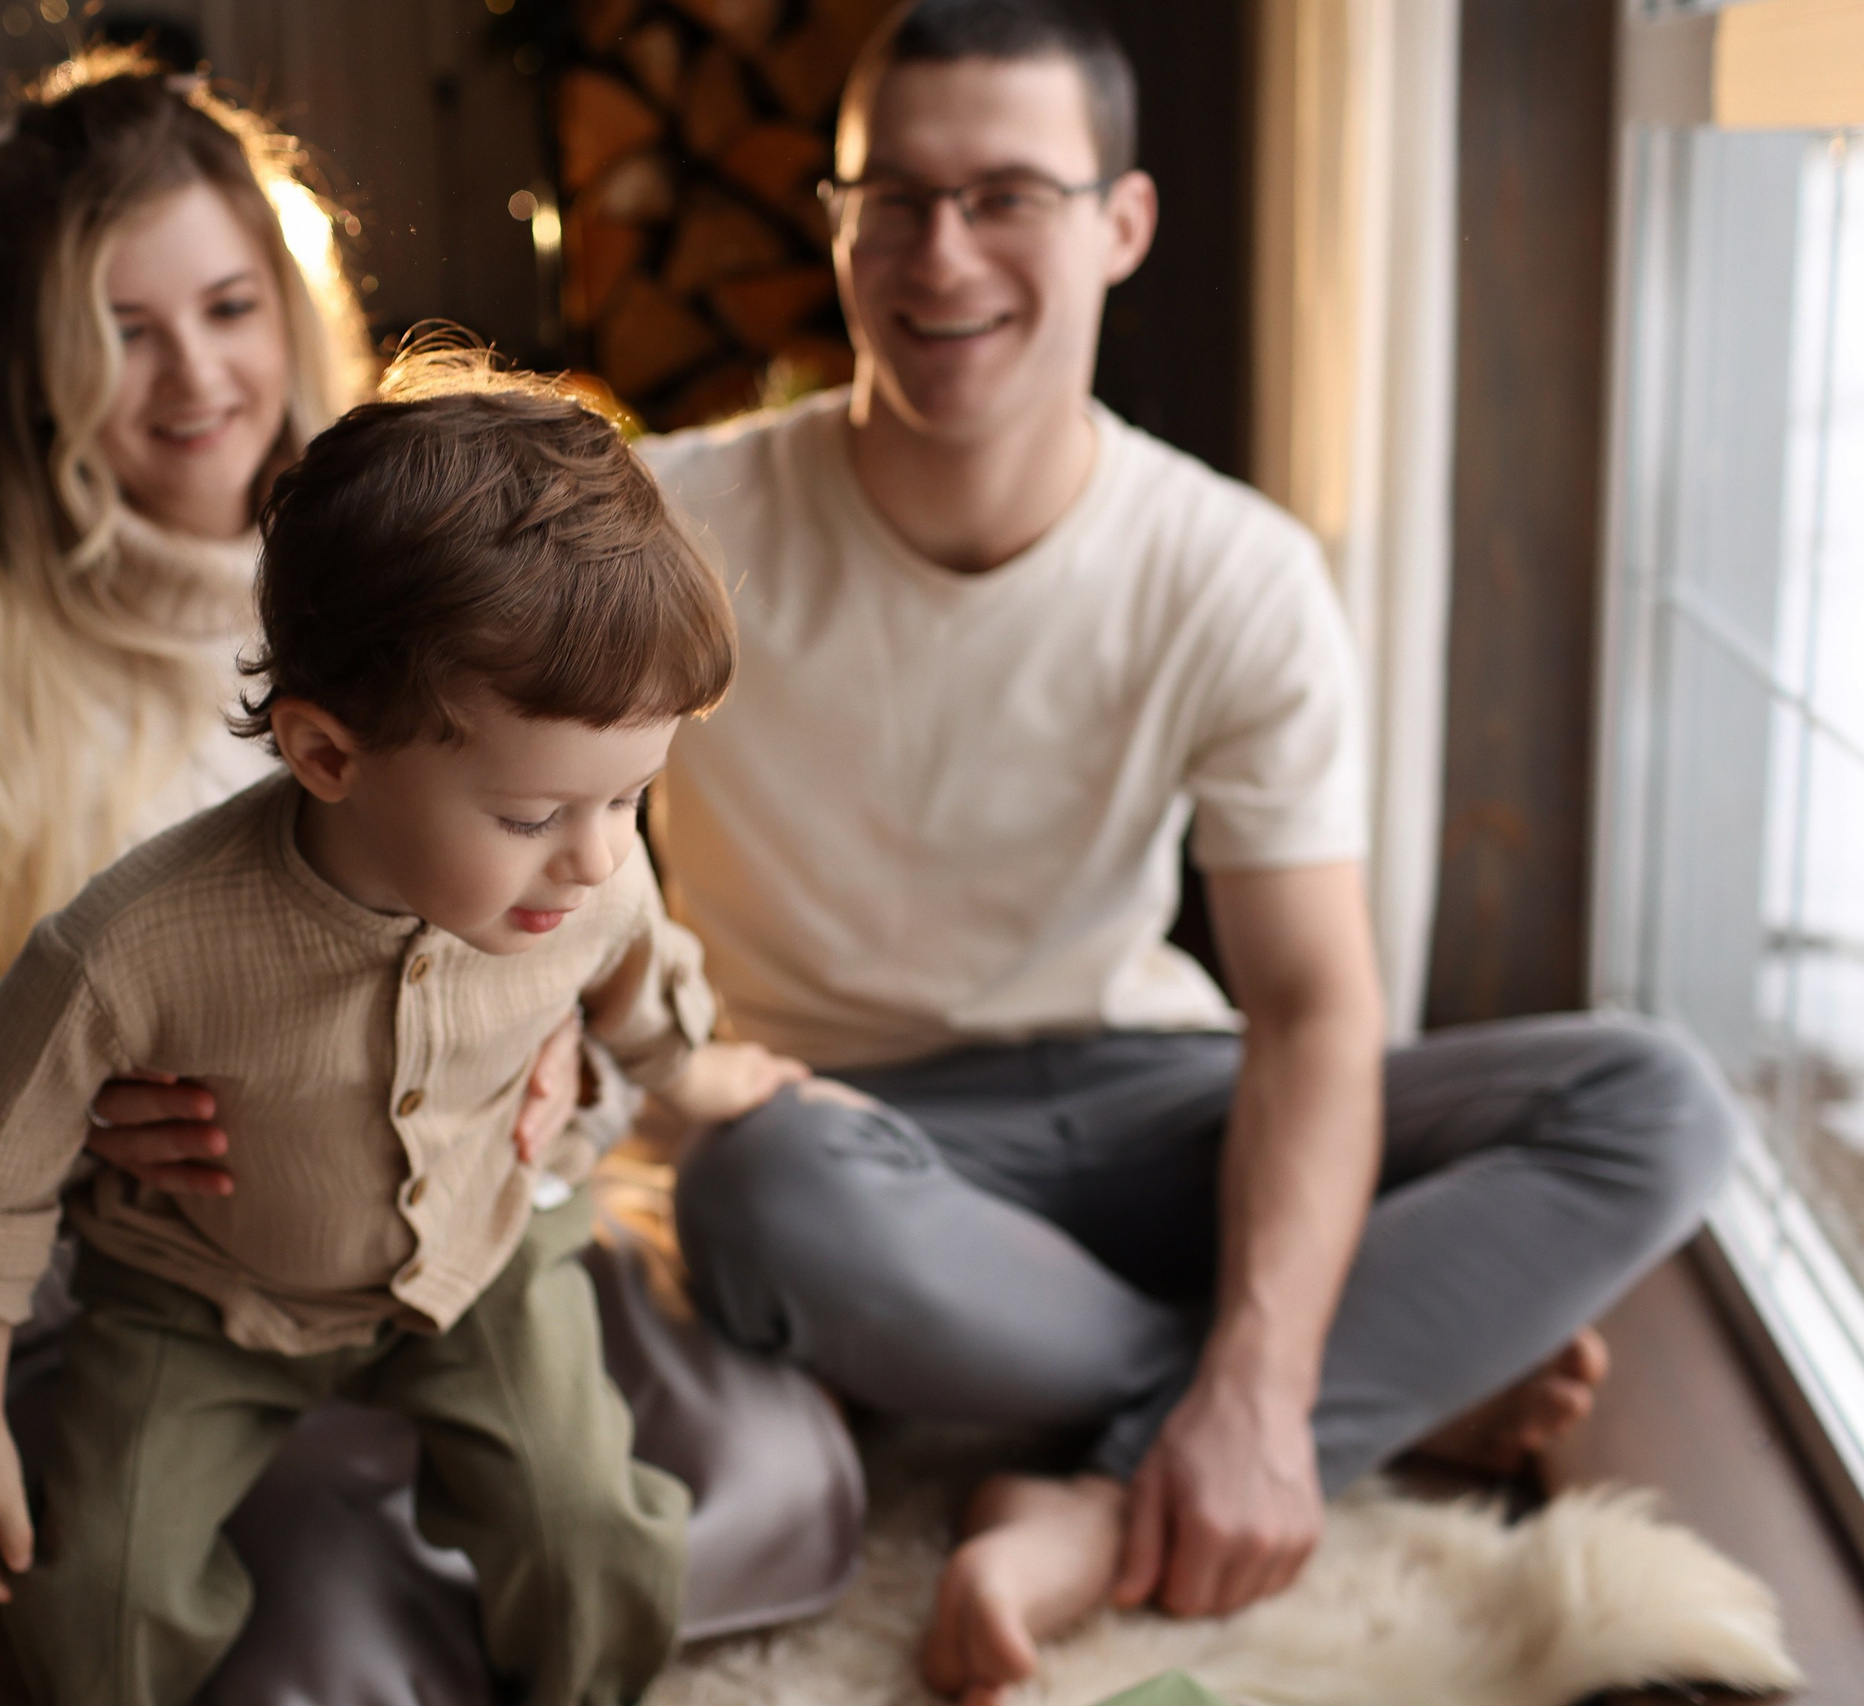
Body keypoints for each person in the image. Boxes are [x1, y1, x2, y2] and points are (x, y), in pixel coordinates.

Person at [0, 48, 860, 1706]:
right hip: (147, 1290)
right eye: (122, 329)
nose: (197, 373)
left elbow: (593, 924)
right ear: (25, 362)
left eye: (231, 305)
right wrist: (71, 1103)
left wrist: (572, 1063)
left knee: (755, 1493)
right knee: (296, 1656)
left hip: (451, 1240)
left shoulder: (429, 567)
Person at [637, 0, 1737, 1692]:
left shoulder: (1235, 569)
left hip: (1152, 1096)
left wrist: (1265, 1381)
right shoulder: (667, 529)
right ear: (836, 220)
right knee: (756, 1190)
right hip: (855, 1138)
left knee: (1655, 1099)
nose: (943, 253)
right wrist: (1271, 1364)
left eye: (1008, 195)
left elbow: (1311, 1005)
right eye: (895, 199)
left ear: (1123, 223)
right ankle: (1365, 1383)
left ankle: (1116, 1483)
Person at [0, 359, 815, 1706]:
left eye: (630, 798)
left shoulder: (591, 877)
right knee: (100, 1592)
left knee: (585, 1528)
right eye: (532, 817)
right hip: (201, 1294)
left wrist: (697, 1066)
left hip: (479, 1254)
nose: (593, 858)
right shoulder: (131, 946)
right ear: (328, 755)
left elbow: (638, 977)